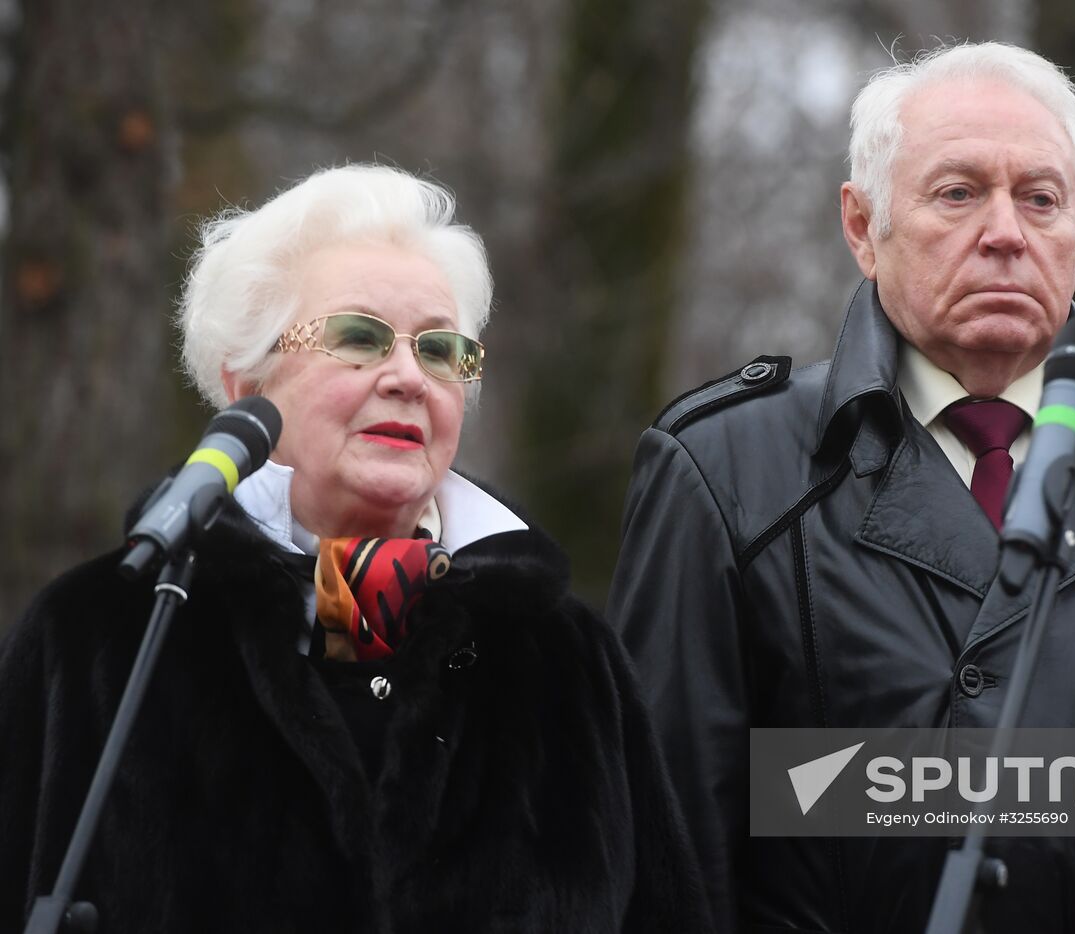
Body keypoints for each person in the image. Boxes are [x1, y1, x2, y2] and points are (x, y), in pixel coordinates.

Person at [608, 42, 1075, 932]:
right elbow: (664, 875)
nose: (1005, 232)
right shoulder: (727, 478)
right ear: (861, 226)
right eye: (958, 194)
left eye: (1040, 199)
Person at [0, 164, 710, 933]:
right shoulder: (99, 637)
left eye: (441, 350)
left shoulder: (566, 661)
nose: (409, 376)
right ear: (248, 387)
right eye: (359, 338)